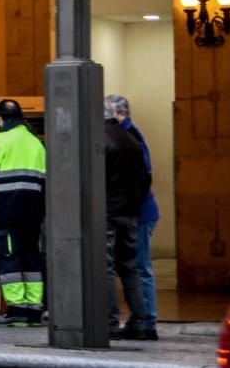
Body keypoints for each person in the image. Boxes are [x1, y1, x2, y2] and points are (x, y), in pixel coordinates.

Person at [0, 99, 46, 326]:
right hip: (33, 211)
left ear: (0, 119)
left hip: (7, 210)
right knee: (31, 258)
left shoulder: (0, 139)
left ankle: (16, 309)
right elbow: (45, 178)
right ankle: (34, 309)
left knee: (9, 258)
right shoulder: (35, 142)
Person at [106, 94, 160, 341]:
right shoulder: (131, 138)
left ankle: (144, 322)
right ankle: (142, 321)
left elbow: (144, 177)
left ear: (120, 114)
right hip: (132, 211)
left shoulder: (125, 136)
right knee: (132, 267)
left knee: (135, 267)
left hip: (131, 212)